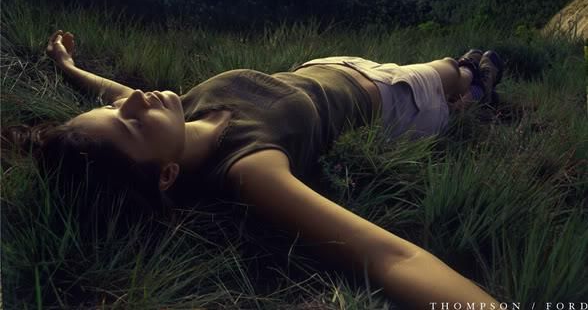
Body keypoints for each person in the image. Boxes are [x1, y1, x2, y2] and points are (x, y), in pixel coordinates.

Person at [4, 30, 504, 309]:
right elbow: (393, 256)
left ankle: (468, 88)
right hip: (395, 102)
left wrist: (66, 64)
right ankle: (475, 88)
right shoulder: (250, 167)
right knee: (451, 70)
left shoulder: (177, 115)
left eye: (117, 111)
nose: (134, 100)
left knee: (447, 68)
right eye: (129, 124)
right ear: (166, 176)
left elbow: (108, 92)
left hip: (329, 66)